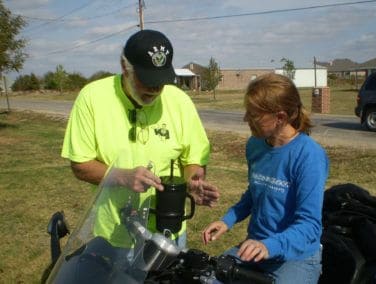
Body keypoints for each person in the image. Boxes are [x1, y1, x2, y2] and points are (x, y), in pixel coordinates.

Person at [61, 29, 219, 249]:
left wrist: (192, 182)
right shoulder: (92, 98)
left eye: (161, 80)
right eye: (148, 79)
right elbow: (80, 164)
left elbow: (193, 158)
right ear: (125, 67)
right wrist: (121, 176)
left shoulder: (180, 102)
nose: (155, 88)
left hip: (168, 233)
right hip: (113, 235)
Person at [202, 73, 329, 284]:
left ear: (280, 117)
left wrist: (268, 246)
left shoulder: (309, 156)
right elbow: (255, 193)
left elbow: (309, 226)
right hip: (255, 250)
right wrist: (227, 221)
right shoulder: (255, 145)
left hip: (295, 258)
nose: (245, 119)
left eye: (253, 115)